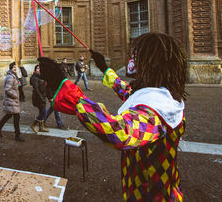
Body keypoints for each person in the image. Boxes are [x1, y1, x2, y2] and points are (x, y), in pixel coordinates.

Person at [39, 32, 188, 201]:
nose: (132, 59)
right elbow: (126, 91)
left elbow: (119, 132)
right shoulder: (163, 96)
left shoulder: (156, 112)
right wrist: (104, 68)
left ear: (152, 64)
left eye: (137, 56)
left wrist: (68, 91)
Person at [0, 62, 25, 142]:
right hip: (11, 100)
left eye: (16, 67)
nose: (15, 69)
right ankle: (17, 135)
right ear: (11, 68)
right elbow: (7, 89)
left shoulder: (14, 76)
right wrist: (15, 96)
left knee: (8, 116)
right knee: (16, 117)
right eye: (13, 67)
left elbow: (20, 82)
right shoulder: (10, 77)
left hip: (12, 100)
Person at [29, 64, 49, 134]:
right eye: (37, 68)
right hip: (38, 97)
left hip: (42, 97)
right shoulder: (34, 78)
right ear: (35, 70)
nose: (39, 69)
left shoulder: (42, 77)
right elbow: (36, 89)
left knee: (41, 112)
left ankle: (41, 127)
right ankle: (34, 125)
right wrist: (41, 98)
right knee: (44, 112)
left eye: (40, 68)